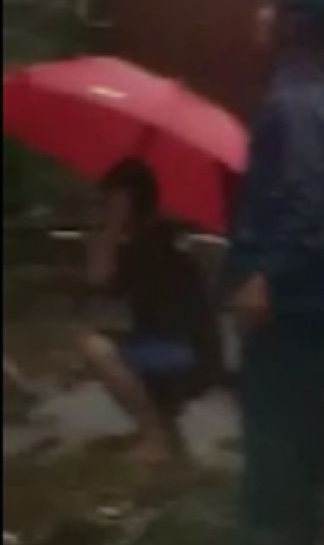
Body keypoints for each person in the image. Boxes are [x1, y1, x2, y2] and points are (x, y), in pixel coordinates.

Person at [225, 0, 324, 545]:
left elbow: (304, 200)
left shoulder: (294, 101)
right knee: (308, 437)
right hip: (322, 302)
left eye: (271, 7)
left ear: (294, 24)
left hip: (290, 303)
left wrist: (263, 276)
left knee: (275, 445)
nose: (260, 15)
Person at [78, 158, 222, 464]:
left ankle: (154, 438)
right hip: (192, 352)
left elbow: (97, 277)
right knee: (130, 345)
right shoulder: (158, 238)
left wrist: (112, 224)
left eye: (109, 201)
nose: (103, 207)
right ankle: (165, 428)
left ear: (126, 202)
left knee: (94, 347)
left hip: (184, 356)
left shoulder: (148, 246)